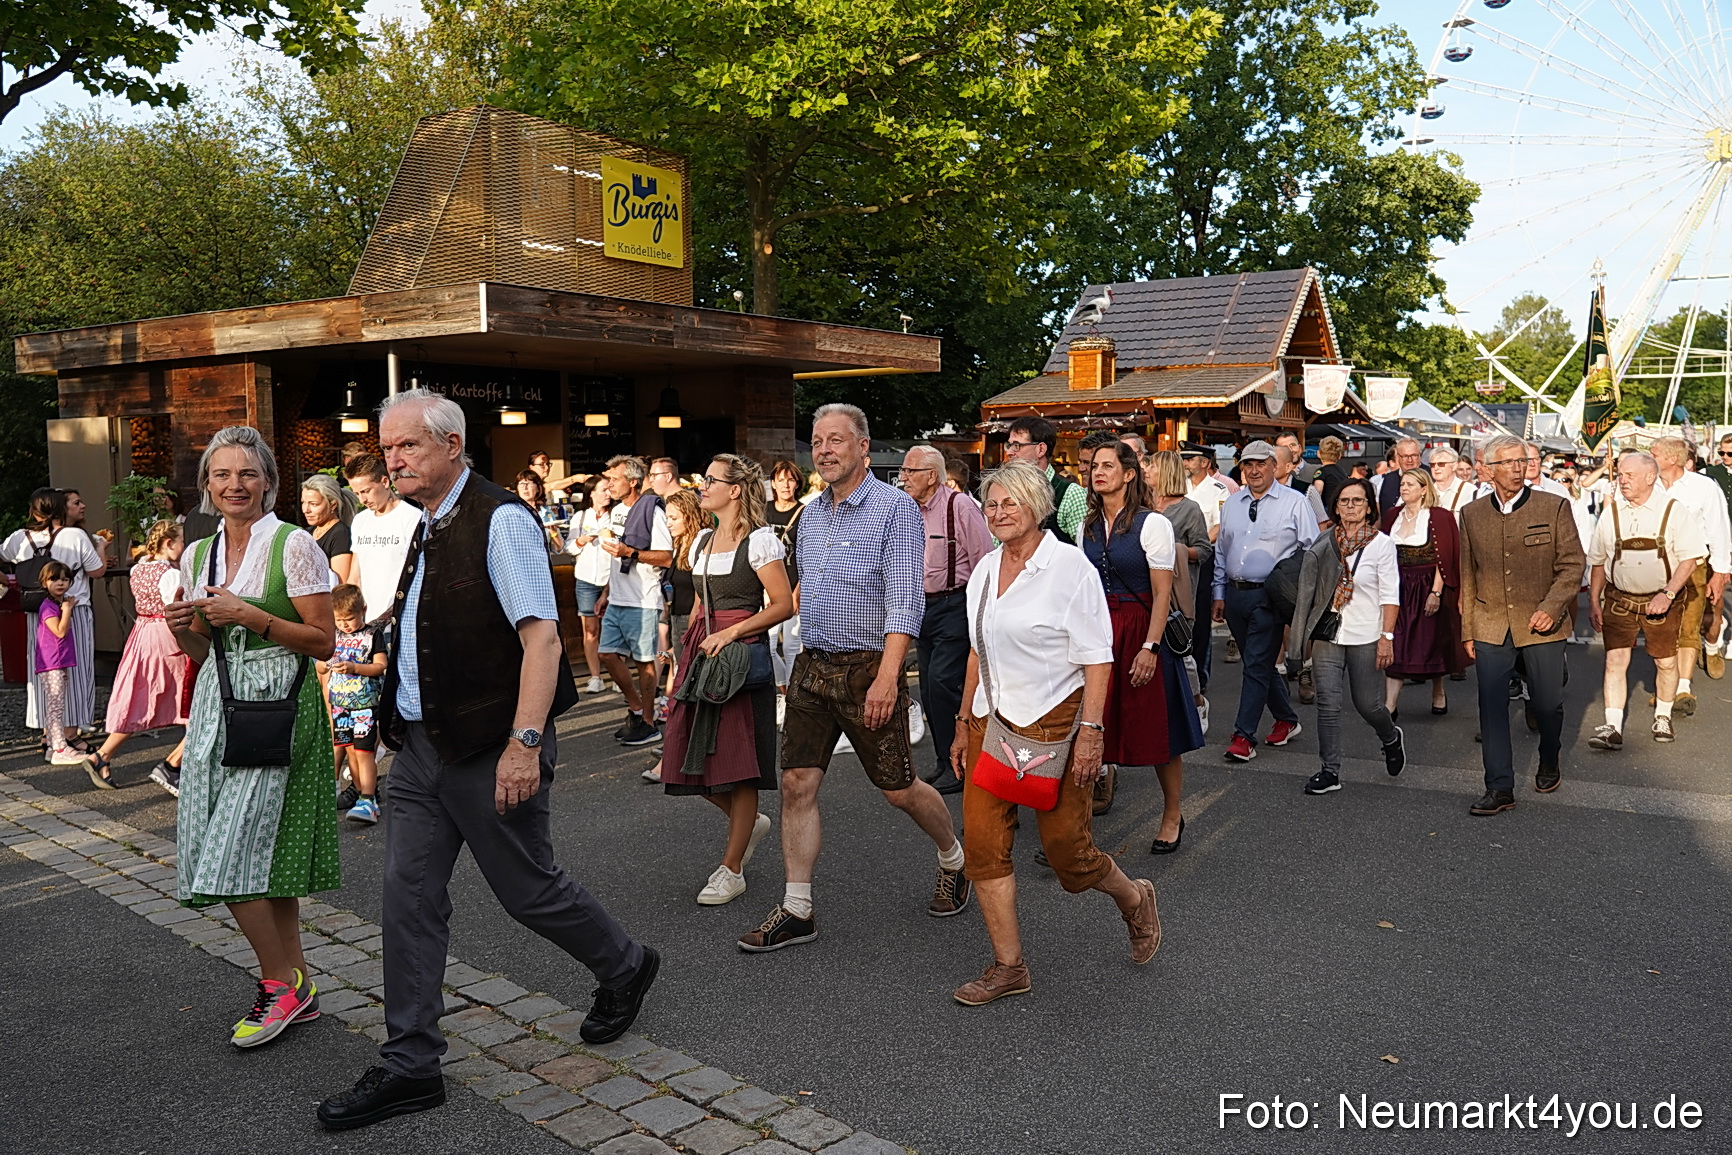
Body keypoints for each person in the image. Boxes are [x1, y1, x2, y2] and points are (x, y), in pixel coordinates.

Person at [319, 390, 655, 1131]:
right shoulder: (428, 523)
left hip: (492, 744)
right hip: (420, 749)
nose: (392, 459)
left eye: (406, 446)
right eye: (387, 449)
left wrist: (524, 744)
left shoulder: (499, 518)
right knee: (406, 898)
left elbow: (540, 640)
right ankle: (411, 1062)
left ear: (450, 445)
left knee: (528, 891)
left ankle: (624, 964)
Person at [737, 403, 968, 952]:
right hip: (813, 667)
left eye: (836, 439)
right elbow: (802, 594)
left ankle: (954, 859)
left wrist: (889, 679)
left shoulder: (895, 510)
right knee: (797, 783)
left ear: (863, 446)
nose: (823, 450)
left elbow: (905, 601)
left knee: (898, 790)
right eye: (817, 441)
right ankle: (798, 909)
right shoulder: (810, 515)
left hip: (870, 668)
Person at [947, 460, 1161, 1005]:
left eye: (1008, 503)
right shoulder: (986, 570)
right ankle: (1009, 966)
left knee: (1069, 853)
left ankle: (1134, 897)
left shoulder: (1070, 569)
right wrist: (960, 724)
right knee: (984, 847)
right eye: (990, 504)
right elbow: (977, 649)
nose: (997, 513)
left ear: (1037, 505)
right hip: (989, 722)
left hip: (1056, 724)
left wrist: (1092, 731)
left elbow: (1097, 659)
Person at [163, 425, 339, 1048]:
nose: (234, 485)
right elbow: (203, 650)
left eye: (247, 473)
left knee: (231, 859)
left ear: (268, 481)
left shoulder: (294, 545)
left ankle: (278, 987)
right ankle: (300, 985)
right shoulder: (196, 554)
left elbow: (325, 641)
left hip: (279, 710)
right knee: (260, 859)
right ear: (206, 484)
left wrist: (253, 615)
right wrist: (181, 626)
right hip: (220, 705)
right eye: (222, 474)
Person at [658, 455, 793, 904]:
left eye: (710, 480)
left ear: (734, 490)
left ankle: (731, 869)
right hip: (702, 649)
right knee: (683, 751)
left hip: (739, 654)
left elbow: (781, 604)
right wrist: (684, 654)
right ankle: (748, 823)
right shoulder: (700, 540)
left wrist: (732, 631)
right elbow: (700, 604)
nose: (702, 487)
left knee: (741, 766)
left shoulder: (760, 542)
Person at [1081, 441, 1202, 844]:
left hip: (1142, 627)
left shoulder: (1154, 524)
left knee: (1158, 729)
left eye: (1107, 465)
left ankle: (1172, 814)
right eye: (1094, 466)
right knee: (1092, 724)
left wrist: (1151, 647)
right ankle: (1076, 826)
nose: (1098, 472)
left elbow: (1162, 594)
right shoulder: (1090, 524)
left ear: (1129, 474)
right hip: (1101, 630)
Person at [1457, 435, 1585, 815]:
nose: (1518, 469)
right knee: (1491, 706)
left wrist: (1551, 606)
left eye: (1522, 462)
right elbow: (1469, 575)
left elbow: (1572, 566)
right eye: (1508, 463)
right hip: (1490, 624)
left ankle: (1550, 756)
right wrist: (1468, 629)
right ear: (1489, 469)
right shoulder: (1471, 514)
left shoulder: (1555, 506)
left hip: (1541, 623)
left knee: (1547, 704)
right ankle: (1499, 788)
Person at [1289, 479, 1405, 795]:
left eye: (1357, 501)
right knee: (1327, 702)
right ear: (1335, 507)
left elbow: (1389, 595)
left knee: (1367, 704)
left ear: (1369, 507)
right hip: (1330, 632)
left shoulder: (1382, 544)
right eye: (1344, 501)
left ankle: (1390, 737)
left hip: (1367, 633)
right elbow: (1309, 592)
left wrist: (1387, 637)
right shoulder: (1324, 543)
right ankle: (1330, 771)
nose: (1350, 506)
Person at [1585, 452, 1705, 748]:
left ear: (1650, 478)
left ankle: (1663, 715)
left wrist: (1668, 594)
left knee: (1665, 661)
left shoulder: (1674, 511)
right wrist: (1593, 601)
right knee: (1614, 659)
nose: (1621, 480)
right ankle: (1611, 727)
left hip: (1663, 600)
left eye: (1628, 475)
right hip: (1619, 599)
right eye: (1620, 475)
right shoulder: (1611, 513)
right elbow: (1598, 562)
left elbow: (1690, 559)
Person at [1213, 441, 1318, 762]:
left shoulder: (1295, 503)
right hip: (1235, 595)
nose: (1254, 471)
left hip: (1270, 596)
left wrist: (1303, 598)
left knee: (1257, 665)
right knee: (1256, 664)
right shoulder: (1231, 503)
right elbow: (1221, 551)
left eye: (1261, 464)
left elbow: (1312, 549)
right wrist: (1219, 593)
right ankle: (1286, 718)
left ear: (1275, 466)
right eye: (1248, 465)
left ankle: (1243, 736)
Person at [900, 444, 993, 794]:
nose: (903, 477)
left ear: (932, 476)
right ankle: (945, 760)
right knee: (926, 685)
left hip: (955, 603)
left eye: (910, 471)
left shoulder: (960, 505)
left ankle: (964, 764)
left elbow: (984, 558)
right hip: (921, 606)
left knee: (943, 682)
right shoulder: (907, 509)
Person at [83, 519, 192, 791]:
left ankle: (103, 755)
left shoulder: (139, 568)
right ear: (169, 543)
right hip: (167, 635)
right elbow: (174, 608)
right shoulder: (171, 574)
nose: (184, 547)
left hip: (143, 631)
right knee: (194, 700)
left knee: (141, 695)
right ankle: (173, 766)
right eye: (181, 541)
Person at [2, 487, 107, 751]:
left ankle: (49, 732)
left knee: (44, 672)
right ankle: (70, 734)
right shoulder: (74, 535)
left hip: (36, 612)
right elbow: (97, 571)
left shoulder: (19, 538)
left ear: (34, 512)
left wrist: (8, 581)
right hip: (73, 610)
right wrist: (102, 547)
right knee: (76, 670)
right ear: (60, 509)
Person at [596, 455, 673, 747]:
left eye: (614, 479)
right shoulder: (615, 511)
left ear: (633, 481)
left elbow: (666, 556)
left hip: (642, 598)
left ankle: (649, 723)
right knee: (606, 654)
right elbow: (614, 557)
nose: (610, 484)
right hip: (617, 597)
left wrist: (631, 552)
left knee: (644, 663)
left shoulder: (653, 511)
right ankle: (637, 707)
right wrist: (605, 592)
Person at [1653, 436, 1731, 717]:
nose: (1650, 458)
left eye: (1654, 454)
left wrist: (1720, 572)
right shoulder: (1647, 483)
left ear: (1673, 458)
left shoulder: (1704, 487)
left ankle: (1683, 687)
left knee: (1690, 623)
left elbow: (1719, 529)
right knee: (1661, 627)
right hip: (1655, 566)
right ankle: (1667, 682)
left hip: (1696, 564)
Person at [1380, 469, 1468, 716]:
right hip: (1398, 585)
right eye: (1402, 484)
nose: (1404, 488)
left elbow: (1447, 557)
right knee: (1394, 638)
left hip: (1427, 584)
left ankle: (1438, 691)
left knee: (1431, 642)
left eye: (1410, 484)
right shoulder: (1393, 515)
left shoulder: (1439, 517)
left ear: (1424, 489)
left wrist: (1436, 593)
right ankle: (1390, 704)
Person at [1147, 450, 1213, 731]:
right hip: (1145, 589)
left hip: (1176, 592)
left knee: (1179, 648)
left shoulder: (1189, 509)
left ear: (1166, 472)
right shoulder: (1141, 505)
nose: (1146, 470)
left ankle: (1197, 702)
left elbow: (1205, 550)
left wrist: (1172, 552)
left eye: (1152, 466)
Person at [321, 583, 388, 823]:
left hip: (364, 704)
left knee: (364, 752)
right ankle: (362, 794)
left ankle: (368, 798)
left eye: (349, 619)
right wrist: (329, 663)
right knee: (349, 751)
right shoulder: (334, 635)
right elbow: (319, 665)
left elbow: (381, 666)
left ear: (363, 611)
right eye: (338, 620)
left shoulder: (372, 635)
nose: (344, 625)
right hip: (340, 704)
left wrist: (355, 668)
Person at [344, 453, 421, 627]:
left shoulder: (412, 518)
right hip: (367, 623)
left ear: (385, 482)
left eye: (366, 491)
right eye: (356, 493)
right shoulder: (360, 520)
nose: (362, 499)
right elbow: (355, 577)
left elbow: (417, 577)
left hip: (402, 620)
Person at [564, 478, 614, 694]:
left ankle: (617, 674)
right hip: (585, 579)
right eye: (603, 490)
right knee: (590, 630)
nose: (608, 494)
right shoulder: (580, 516)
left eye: (609, 490)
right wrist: (580, 541)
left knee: (613, 629)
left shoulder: (617, 515)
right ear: (591, 493)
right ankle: (595, 676)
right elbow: (568, 548)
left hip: (611, 579)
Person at [1003, 416, 1085, 543]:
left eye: (1016, 445)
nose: (1009, 452)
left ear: (1041, 449)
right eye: (1009, 445)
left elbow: (1085, 551)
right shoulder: (1005, 491)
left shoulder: (1071, 494)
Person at [36, 561, 85, 767]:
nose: (60, 583)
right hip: (52, 664)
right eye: (54, 579)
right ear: (45, 582)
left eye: (65, 579)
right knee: (55, 707)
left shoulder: (57, 604)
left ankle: (52, 749)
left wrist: (66, 607)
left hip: (58, 662)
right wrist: (67, 610)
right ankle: (59, 749)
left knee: (55, 706)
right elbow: (60, 631)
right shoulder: (49, 607)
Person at [765, 459, 805, 694]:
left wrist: (798, 592)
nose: (786, 485)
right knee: (767, 647)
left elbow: (807, 556)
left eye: (790, 480)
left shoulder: (804, 513)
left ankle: (792, 705)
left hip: (793, 589)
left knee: (791, 648)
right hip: (767, 590)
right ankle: (783, 690)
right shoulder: (764, 510)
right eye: (781, 480)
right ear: (773, 483)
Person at [302, 473, 357, 586]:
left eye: (313, 504)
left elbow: (341, 585)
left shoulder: (340, 535)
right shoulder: (307, 532)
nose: (306, 510)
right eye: (303, 502)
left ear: (333, 505)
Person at [514, 469, 565, 551]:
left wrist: (553, 532)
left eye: (528, 483)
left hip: (541, 561)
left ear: (538, 488)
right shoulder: (513, 512)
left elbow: (559, 548)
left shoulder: (546, 513)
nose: (525, 488)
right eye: (521, 484)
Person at [1378, 438, 1423, 512]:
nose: (1410, 460)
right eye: (1405, 456)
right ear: (1398, 458)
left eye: (1414, 455)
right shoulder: (1386, 480)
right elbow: (1379, 514)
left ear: (1420, 456)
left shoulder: (1432, 477)